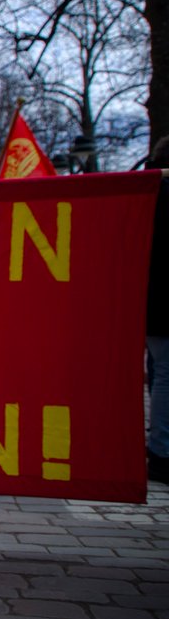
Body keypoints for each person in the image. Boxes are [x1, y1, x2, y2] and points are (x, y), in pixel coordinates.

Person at [147, 138, 169, 484]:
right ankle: (162, 450)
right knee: (166, 371)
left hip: (152, 305)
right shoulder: (158, 197)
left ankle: (161, 446)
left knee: (160, 369)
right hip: (162, 305)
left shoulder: (148, 197)